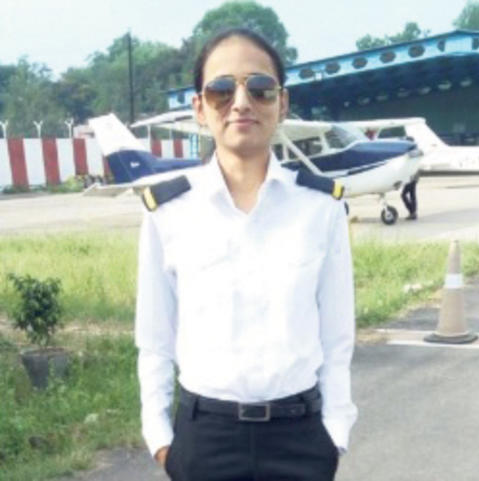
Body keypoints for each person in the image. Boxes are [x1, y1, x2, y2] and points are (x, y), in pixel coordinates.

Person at [135, 28, 357, 481]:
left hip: (299, 439)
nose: (241, 102)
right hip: (205, 441)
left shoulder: (320, 208)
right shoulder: (168, 212)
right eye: (221, 89)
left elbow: (337, 337)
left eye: (259, 88)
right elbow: (155, 339)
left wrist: (334, 434)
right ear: (199, 108)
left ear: (282, 103)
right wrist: (160, 439)